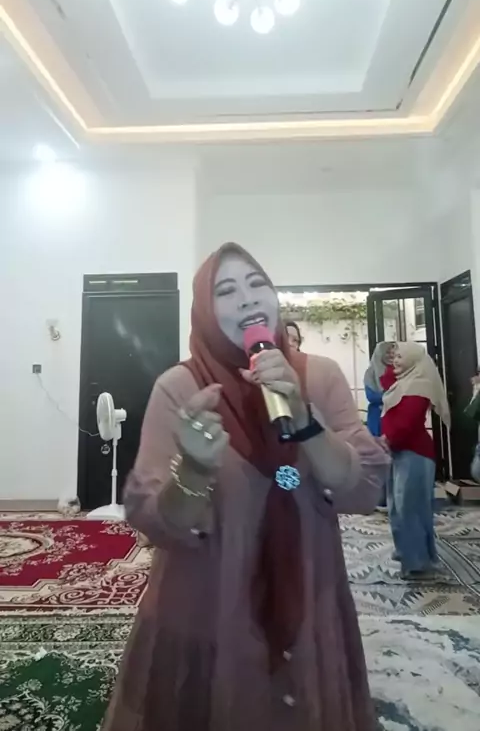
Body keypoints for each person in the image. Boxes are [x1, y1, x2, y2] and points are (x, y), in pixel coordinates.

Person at [102, 243, 390, 731]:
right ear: (205, 312)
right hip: (207, 603)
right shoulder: (180, 388)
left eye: (258, 284)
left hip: (308, 592)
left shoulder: (319, 377)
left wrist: (306, 424)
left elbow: (364, 489)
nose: (248, 298)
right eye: (226, 291)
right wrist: (194, 467)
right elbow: (158, 523)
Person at [381, 342, 450, 581]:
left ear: (412, 359)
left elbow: (406, 423)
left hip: (415, 454)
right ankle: (407, 552)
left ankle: (417, 564)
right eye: (395, 356)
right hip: (399, 451)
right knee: (397, 508)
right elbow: (386, 382)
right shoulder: (404, 382)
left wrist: (387, 439)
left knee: (411, 509)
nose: (396, 360)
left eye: (400, 356)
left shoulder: (419, 386)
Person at [364, 342, 396, 437]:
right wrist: (392, 395)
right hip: (377, 415)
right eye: (387, 352)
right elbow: (371, 396)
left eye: (393, 352)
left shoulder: (400, 369)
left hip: (397, 414)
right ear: (380, 354)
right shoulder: (371, 372)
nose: (391, 355)